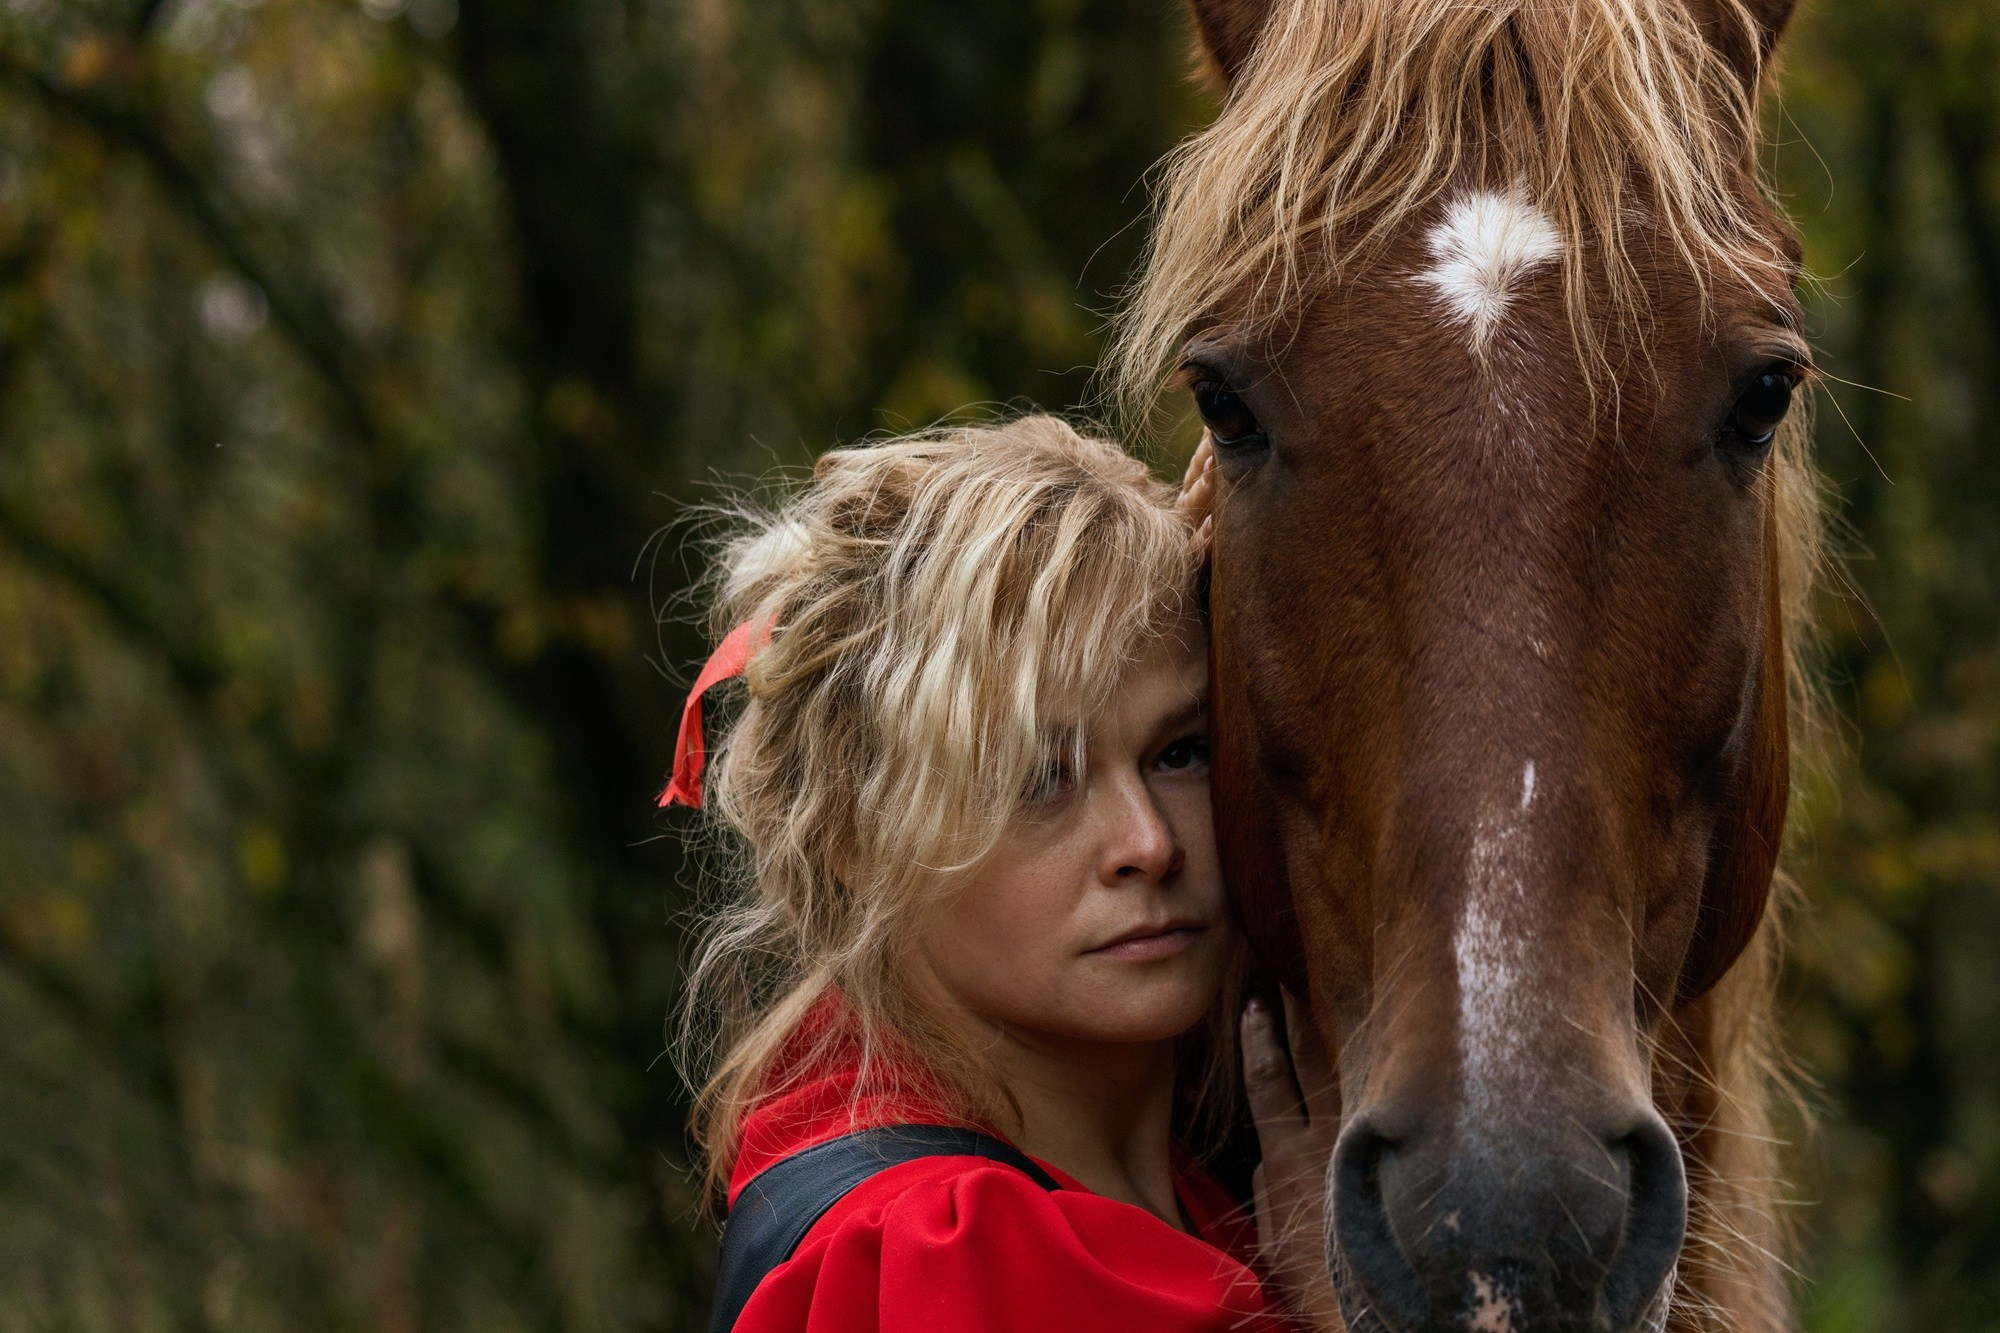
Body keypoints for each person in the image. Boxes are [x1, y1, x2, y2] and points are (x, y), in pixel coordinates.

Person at [668, 416, 1339, 1332]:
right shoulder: (940, 1257)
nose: (1148, 842)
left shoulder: (1200, 1169)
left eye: (1179, 751)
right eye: (1037, 779)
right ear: (855, 835)